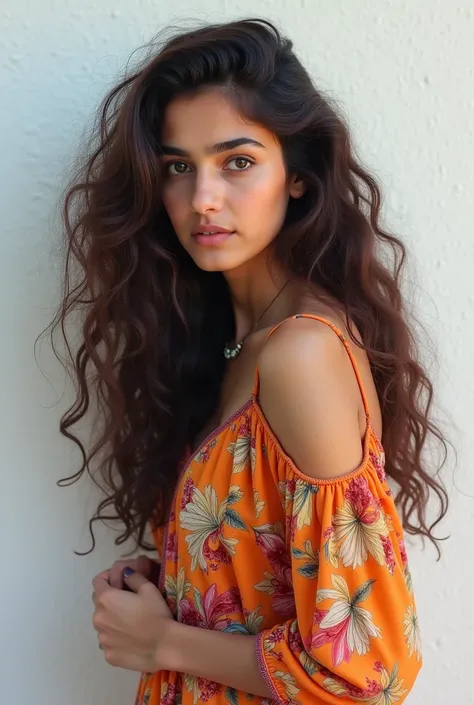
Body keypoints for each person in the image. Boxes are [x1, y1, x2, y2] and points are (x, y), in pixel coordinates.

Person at [50, 17, 449, 705]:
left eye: (237, 161)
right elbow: (267, 578)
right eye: (179, 166)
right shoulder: (230, 339)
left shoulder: (301, 353)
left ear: (296, 176)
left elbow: (373, 672)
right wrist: (183, 580)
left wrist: (162, 642)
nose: (202, 198)